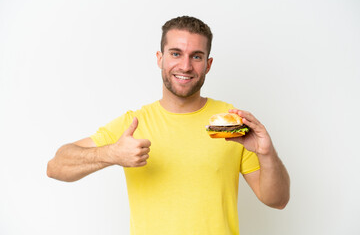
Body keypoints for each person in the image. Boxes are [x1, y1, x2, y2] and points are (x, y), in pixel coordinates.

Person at [47, 16, 290, 235]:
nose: (185, 66)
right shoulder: (134, 123)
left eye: (196, 56)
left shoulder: (229, 122)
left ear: (208, 64)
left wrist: (267, 154)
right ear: (159, 59)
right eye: (175, 53)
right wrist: (111, 153)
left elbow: (277, 200)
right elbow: (56, 166)